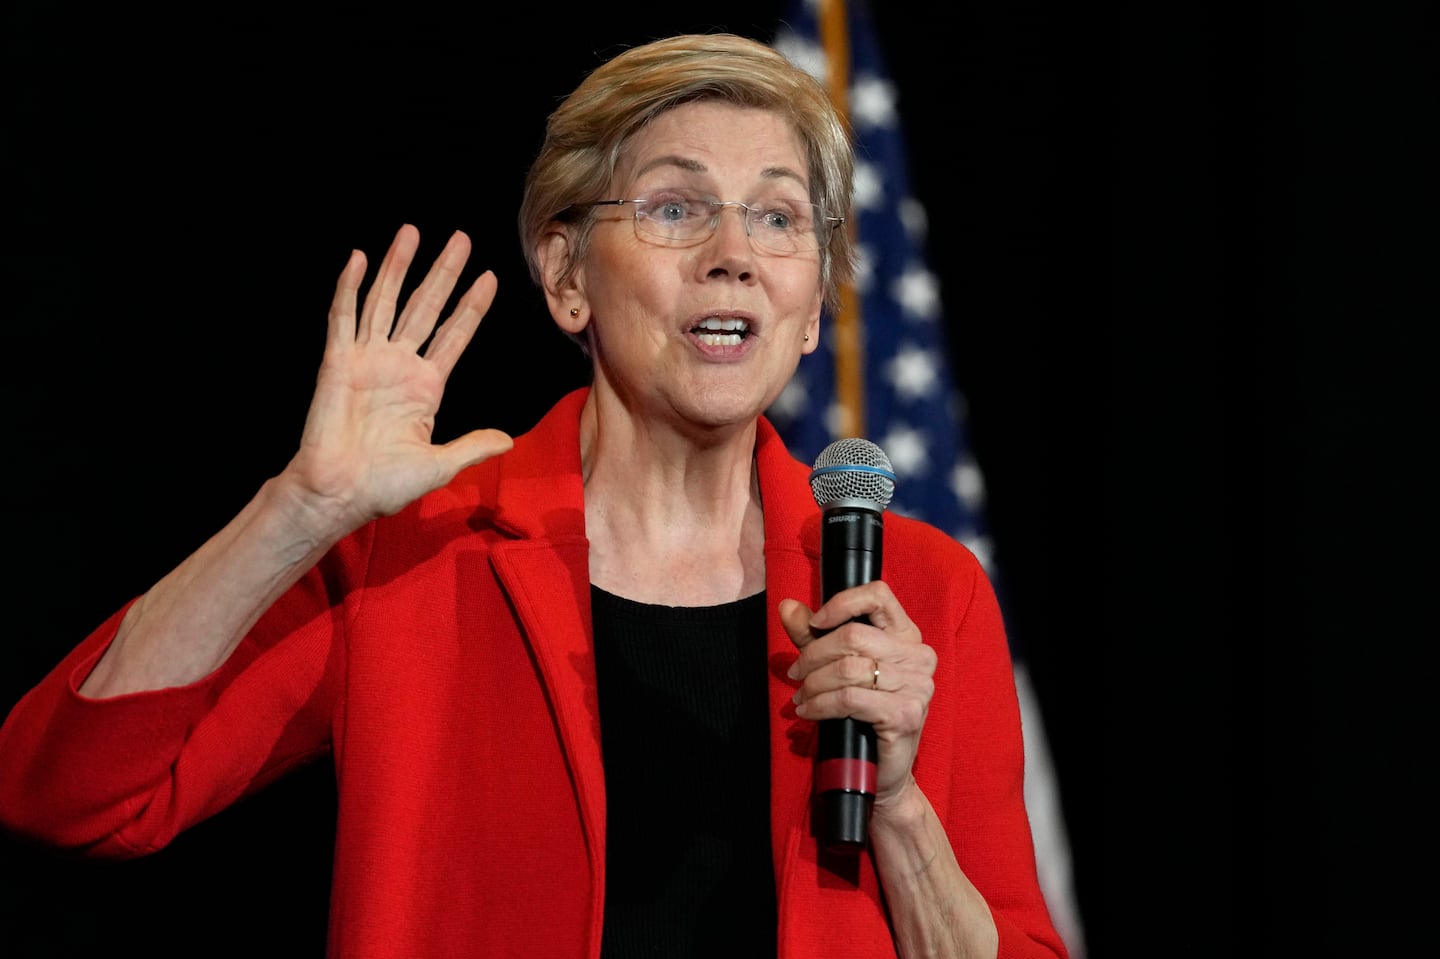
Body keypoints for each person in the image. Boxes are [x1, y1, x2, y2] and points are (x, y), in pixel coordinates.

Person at [0, 32, 1067, 959]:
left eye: (781, 219)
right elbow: (73, 797)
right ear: (565, 275)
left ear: (806, 306)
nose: (735, 255)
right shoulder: (412, 551)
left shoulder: (917, 588)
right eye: (675, 207)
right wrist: (297, 511)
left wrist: (902, 808)